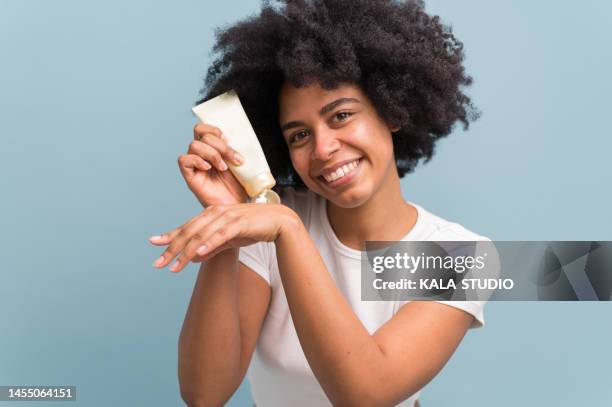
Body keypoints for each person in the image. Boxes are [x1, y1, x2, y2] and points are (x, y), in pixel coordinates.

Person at [149, 1, 487, 406]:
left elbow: (366, 393)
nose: (324, 148)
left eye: (341, 115)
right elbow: (205, 394)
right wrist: (226, 222)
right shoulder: (268, 221)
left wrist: (290, 232)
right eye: (298, 136)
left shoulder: (457, 255)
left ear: (391, 110)